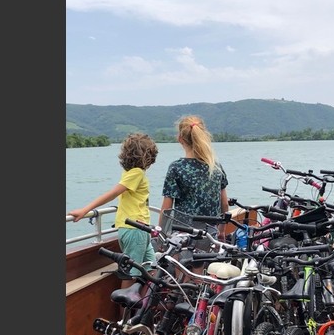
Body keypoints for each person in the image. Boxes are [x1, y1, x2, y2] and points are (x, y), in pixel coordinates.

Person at [68, 132, 159, 289]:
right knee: (130, 273)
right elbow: (112, 193)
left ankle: (145, 308)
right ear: (146, 156)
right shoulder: (136, 173)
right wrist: (85, 210)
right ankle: (126, 312)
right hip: (135, 229)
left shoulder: (130, 173)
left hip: (140, 229)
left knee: (151, 269)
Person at [160, 116, 229, 252]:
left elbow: (166, 209)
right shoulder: (215, 167)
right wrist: (221, 231)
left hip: (181, 232)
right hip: (208, 233)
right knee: (200, 268)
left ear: (180, 139)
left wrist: (161, 236)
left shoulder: (176, 168)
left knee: (180, 268)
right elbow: (224, 205)